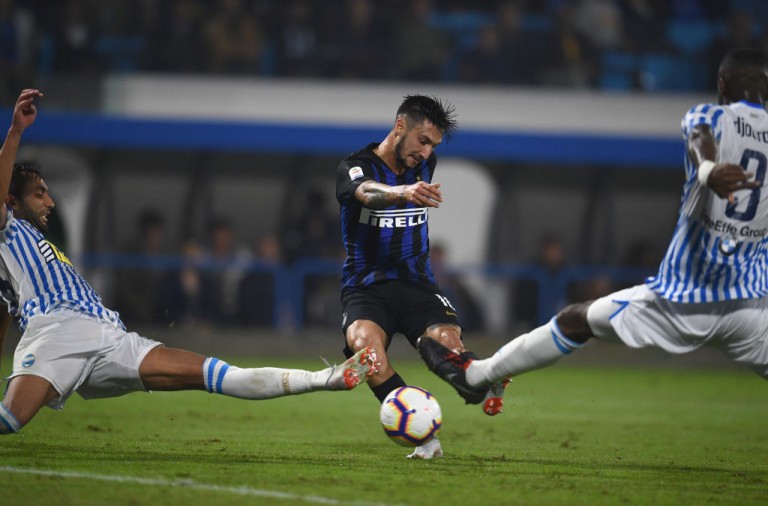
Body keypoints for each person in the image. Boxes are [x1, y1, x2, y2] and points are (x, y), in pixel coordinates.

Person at [0, 89, 378, 436]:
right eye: (39, 194)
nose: (50, 202)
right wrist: (16, 131)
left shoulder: (28, 246)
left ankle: (325, 379)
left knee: (217, 374)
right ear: (11, 202)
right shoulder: (10, 229)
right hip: (58, 331)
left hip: (109, 336)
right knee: (10, 420)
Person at [418, 47, 768, 404]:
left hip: (683, 301)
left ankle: (476, 377)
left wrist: (708, 170)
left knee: (575, 321)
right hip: (752, 307)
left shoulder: (710, 114)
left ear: (722, 83)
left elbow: (699, 137)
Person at [335, 94, 505, 459]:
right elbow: (364, 193)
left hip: (417, 283)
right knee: (366, 350)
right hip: (367, 288)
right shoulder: (354, 166)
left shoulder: (423, 163)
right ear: (400, 126)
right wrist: (403, 192)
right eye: (422, 140)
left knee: (447, 343)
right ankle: (424, 437)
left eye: (433, 146)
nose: (426, 153)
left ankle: (483, 376)